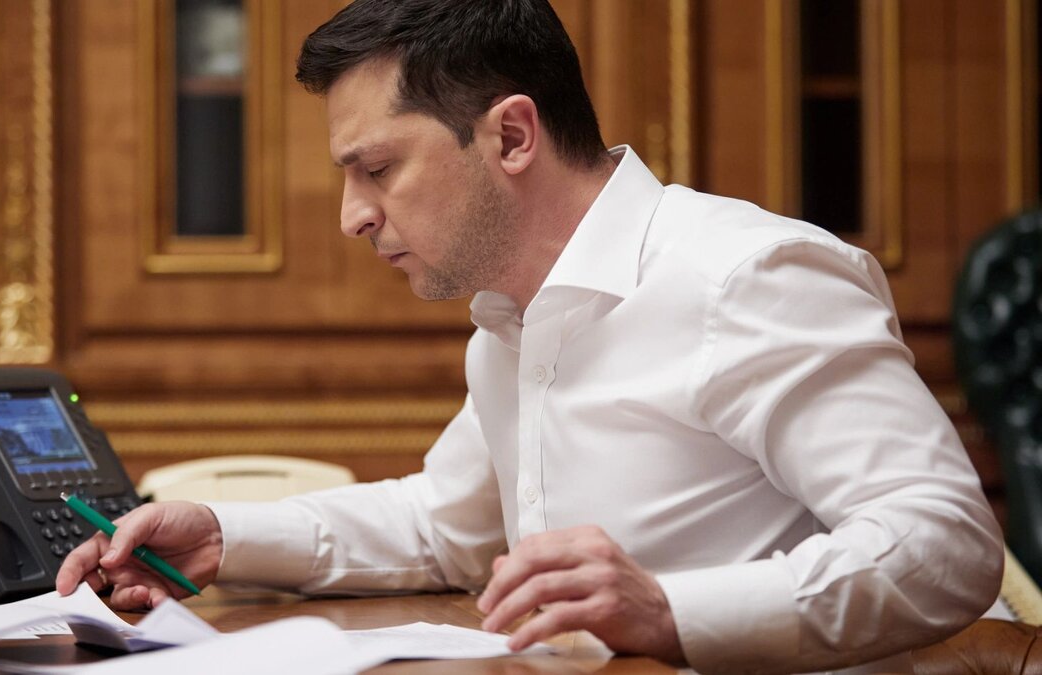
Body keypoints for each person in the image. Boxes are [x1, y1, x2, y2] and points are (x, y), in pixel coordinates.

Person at [57, 1, 1004, 672]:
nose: (353, 216)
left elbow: (946, 542)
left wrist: (670, 610)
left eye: (377, 169)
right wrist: (223, 535)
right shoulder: (510, 322)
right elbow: (445, 527)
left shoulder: (746, 275)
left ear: (512, 136)